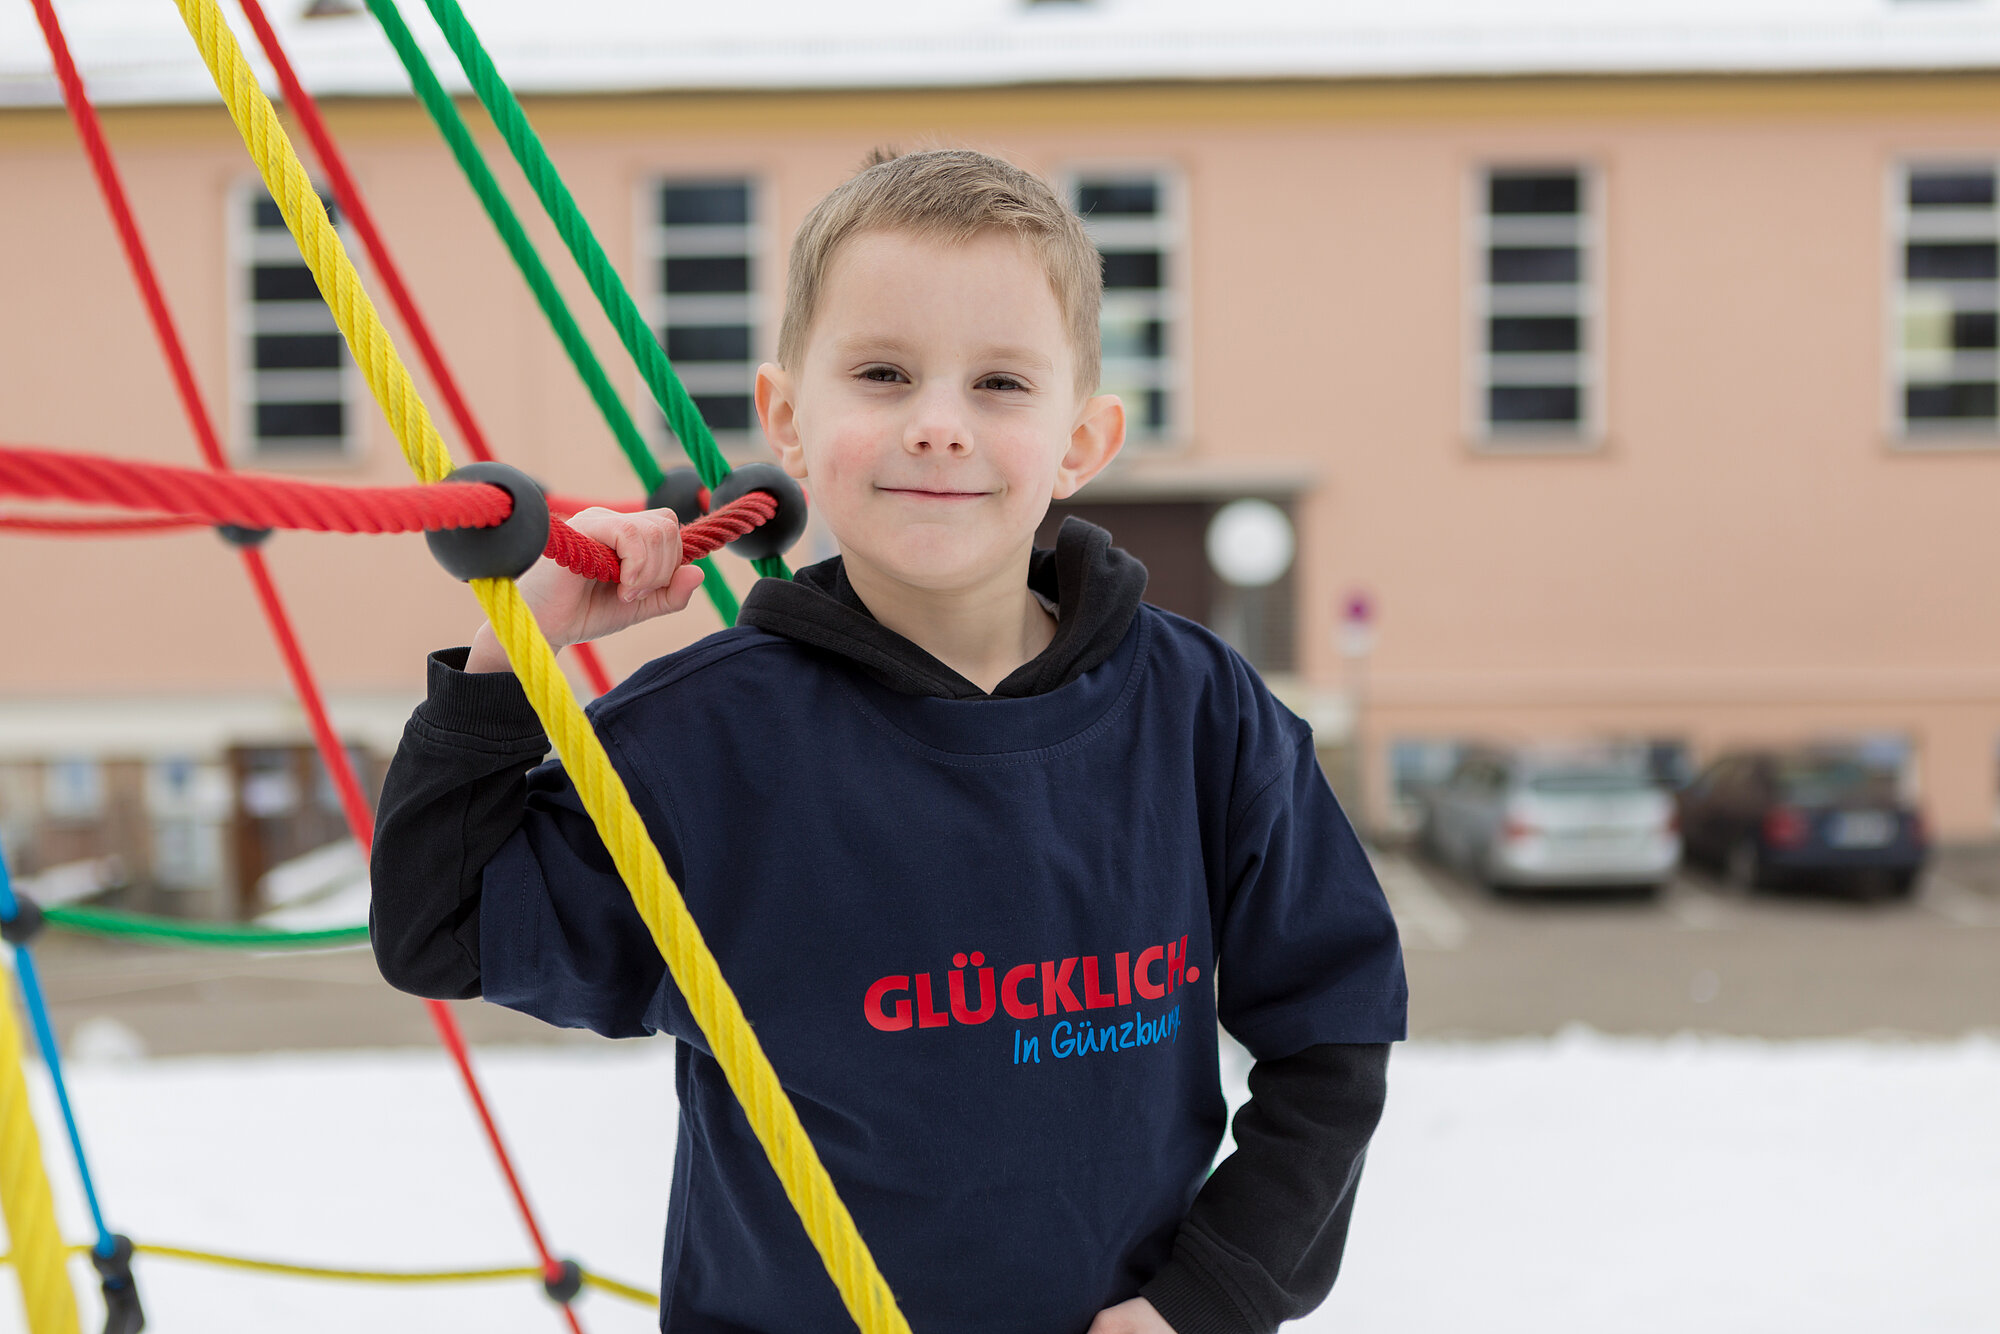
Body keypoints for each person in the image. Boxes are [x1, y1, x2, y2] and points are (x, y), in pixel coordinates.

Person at [371, 148, 1407, 1334]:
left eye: (1000, 385)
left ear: (1083, 438)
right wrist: (527, 637)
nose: (935, 427)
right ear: (786, 421)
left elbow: (1335, 1020)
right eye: (880, 372)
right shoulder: (703, 742)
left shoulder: (1197, 711)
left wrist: (1211, 1295)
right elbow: (437, 928)